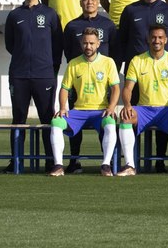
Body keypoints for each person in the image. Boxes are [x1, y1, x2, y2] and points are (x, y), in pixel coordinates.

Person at [4, 0, 62, 173]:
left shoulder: (50, 14)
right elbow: (10, 45)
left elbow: (57, 45)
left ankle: (50, 161)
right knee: (18, 118)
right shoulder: (14, 15)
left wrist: (49, 67)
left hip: (44, 75)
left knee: (47, 118)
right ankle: (16, 162)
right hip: (19, 75)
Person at [116, 24, 168, 177]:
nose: (157, 40)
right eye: (153, 37)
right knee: (126, 116)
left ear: (165, 40)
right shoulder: (137, 60)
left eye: (160, 37)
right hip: (144, 109)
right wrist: (128, 105)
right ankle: (130, 165)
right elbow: (128, 88)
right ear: (148, 39)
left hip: (166, 109)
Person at [47, 28, 120, 177]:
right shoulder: (74, 63)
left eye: (92, 43)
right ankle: (58, 165)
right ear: (81, 44)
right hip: (78, 111)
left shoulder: (108, 62)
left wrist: (112, 107)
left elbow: (116, 89)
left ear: (98, 44)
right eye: (85, 43)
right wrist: (62, 107)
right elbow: (64, 88)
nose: (88, 46)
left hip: (100, 111)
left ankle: (106, 165)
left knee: (111, 123)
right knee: (56, 122)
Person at [61, 0, 118, 173]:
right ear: (80, 2)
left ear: (98, 1)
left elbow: (115, 50)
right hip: (78, 79)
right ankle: (74, 160)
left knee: (105, 122)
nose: (89, 2)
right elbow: (69, 52)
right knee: (73, 122)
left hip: (102, 80)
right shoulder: (72, 26)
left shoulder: (108, 25)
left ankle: (106, 162)